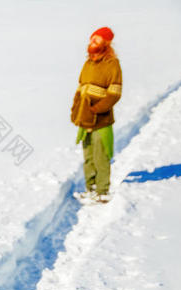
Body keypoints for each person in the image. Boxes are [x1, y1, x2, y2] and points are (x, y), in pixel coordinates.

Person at [71, 26, 123, 204]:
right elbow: (80, 89)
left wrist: (96, 110)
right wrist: (75, 110)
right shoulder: (88, 64)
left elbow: (114, 93)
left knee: (101, 155)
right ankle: (90, 187)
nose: (92, 42)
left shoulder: (112, 65)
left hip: (101, 119)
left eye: (97, 39)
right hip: (84, 118)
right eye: (92, 39)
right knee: (88, 155)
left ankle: (102, 191)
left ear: (106, 43)